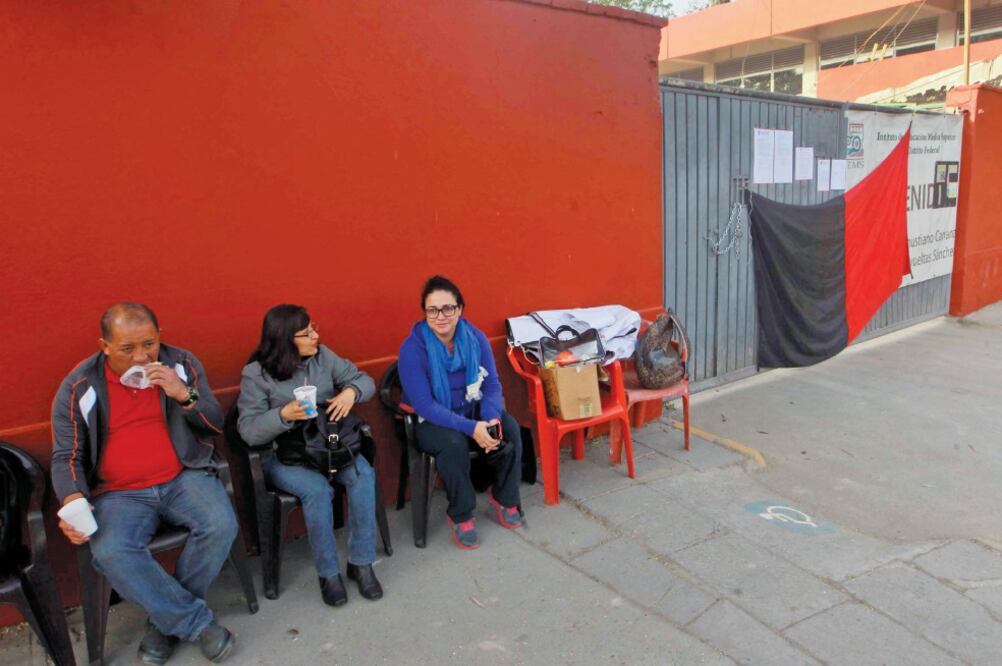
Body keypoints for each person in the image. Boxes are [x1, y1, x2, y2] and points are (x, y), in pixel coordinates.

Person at [51, 303, 237, 665]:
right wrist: (72, 496)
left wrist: (184, 394)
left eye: (149, 344)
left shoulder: (180, 363)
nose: (141, 356)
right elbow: (66, 456)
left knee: (220, 524)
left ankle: (163, 622)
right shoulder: (79, 386)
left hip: (182, 476)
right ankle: (195, 623)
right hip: (118, 494)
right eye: (127, 348)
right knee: (111, 550)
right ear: (104, 346)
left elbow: (216, 424)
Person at [237, 304, 383, 607]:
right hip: (287, 456)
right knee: (317, 491)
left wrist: (350, 392)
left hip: (327, 446)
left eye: (313, 328)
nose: (315, 336)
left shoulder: (323, 357)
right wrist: (282, 415)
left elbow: (365, 380)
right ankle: (328, 574)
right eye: (306, 334)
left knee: (363, 475)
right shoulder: (256, 374)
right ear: (284, 340)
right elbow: (248, 431)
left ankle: (362, 563)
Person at [398, 275, 524, 549]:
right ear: (425, 313)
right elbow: (425, 405)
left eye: (448, 308)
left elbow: (491, 385)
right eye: (433, 310)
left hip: (473, 410)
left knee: (510, 427)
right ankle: (462, 514)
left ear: (460, 309)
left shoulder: (475, 338)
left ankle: (505, 497)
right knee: (453, 445)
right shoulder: (412, 349)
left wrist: (490, 418)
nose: (440, 316)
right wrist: (472, 428)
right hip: (432, 420)